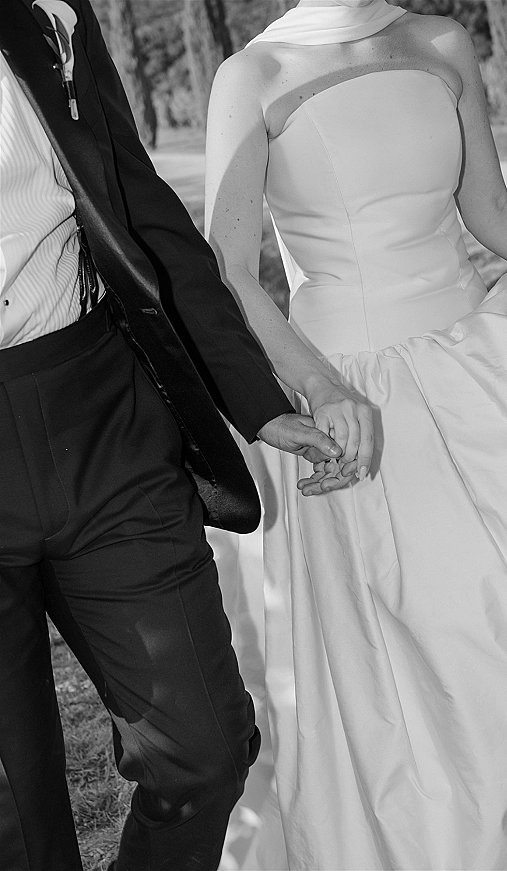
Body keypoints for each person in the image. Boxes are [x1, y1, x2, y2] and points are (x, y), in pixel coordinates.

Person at [204, 0, 507, 868]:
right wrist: (319, 384)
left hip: (483, 380)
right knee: (424, 667)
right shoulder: (252, 75)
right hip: (353, 405)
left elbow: (491, 211)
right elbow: (229, 273)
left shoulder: (440, 42)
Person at [0, 1, 374, 869]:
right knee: (15, 823)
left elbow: (137, 205)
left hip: (102, 418)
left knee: (203, 748)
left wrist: (255, 396)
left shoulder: (48, 11)